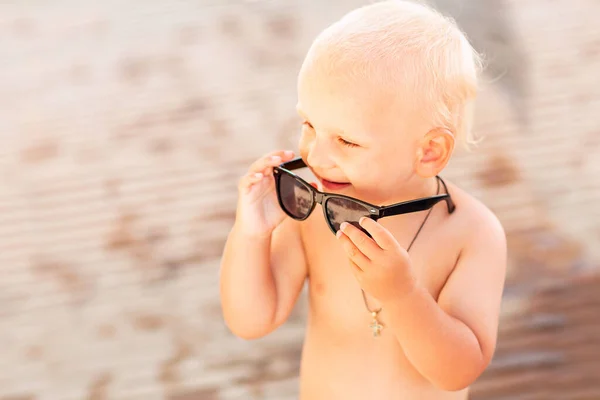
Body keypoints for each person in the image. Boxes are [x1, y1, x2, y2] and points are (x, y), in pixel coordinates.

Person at [220, 1, 507, 398]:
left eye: (346, 140)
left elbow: (458, 371)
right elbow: (251, 320)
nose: (316, 157)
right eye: (309, 125)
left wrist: (402, 294)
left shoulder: (471, 233)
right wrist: (250, 235)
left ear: (428, 151)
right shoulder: (311, 213)